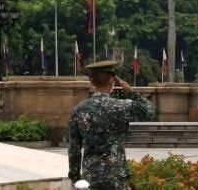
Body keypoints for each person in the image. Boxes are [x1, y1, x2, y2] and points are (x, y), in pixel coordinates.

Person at [67, 60, 157, 189]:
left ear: (92, 82)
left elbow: (74, 148)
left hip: (91, 176)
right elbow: (150, 111)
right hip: (116, 176)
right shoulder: (122, 106)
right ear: (112, 80)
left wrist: (75, 177)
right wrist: (131, 92)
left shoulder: (79, 110)